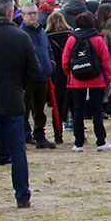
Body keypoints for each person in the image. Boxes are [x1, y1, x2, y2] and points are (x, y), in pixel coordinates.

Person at [0, 0, 37, 210]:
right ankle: (22, 196)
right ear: (11, 11)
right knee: (17, 150)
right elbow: (34, 70)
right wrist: (21, 88)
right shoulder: (22, 37)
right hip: (13, 98)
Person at [61, 11, 111, 154]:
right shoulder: (98, 39)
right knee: (97, 110)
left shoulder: (71, 39)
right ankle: (101, 141)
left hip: (76, 80)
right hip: (96, 79)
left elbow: (65, 60)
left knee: (78, 110)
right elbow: (105, 61)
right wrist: (108, 79)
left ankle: (78, 143)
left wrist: (70, 74)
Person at [18, 4, 55, 149]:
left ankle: (40, 136)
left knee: (40, 109)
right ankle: (23, 136)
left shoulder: (41, 31)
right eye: (29, 13)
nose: (33, 16)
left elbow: (48, 49)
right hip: (28, 78)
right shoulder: (21, 34)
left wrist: (51, 64)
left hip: (43, 75)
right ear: (23, 15)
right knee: (24, 109)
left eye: (35, 13)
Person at [45, 11, 71, 144]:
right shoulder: (70, 36)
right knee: (75, 104)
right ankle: (79, 132)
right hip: (71, 72)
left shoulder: (46, 37)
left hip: (56, 73)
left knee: (57, 106)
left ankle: (58, 134)